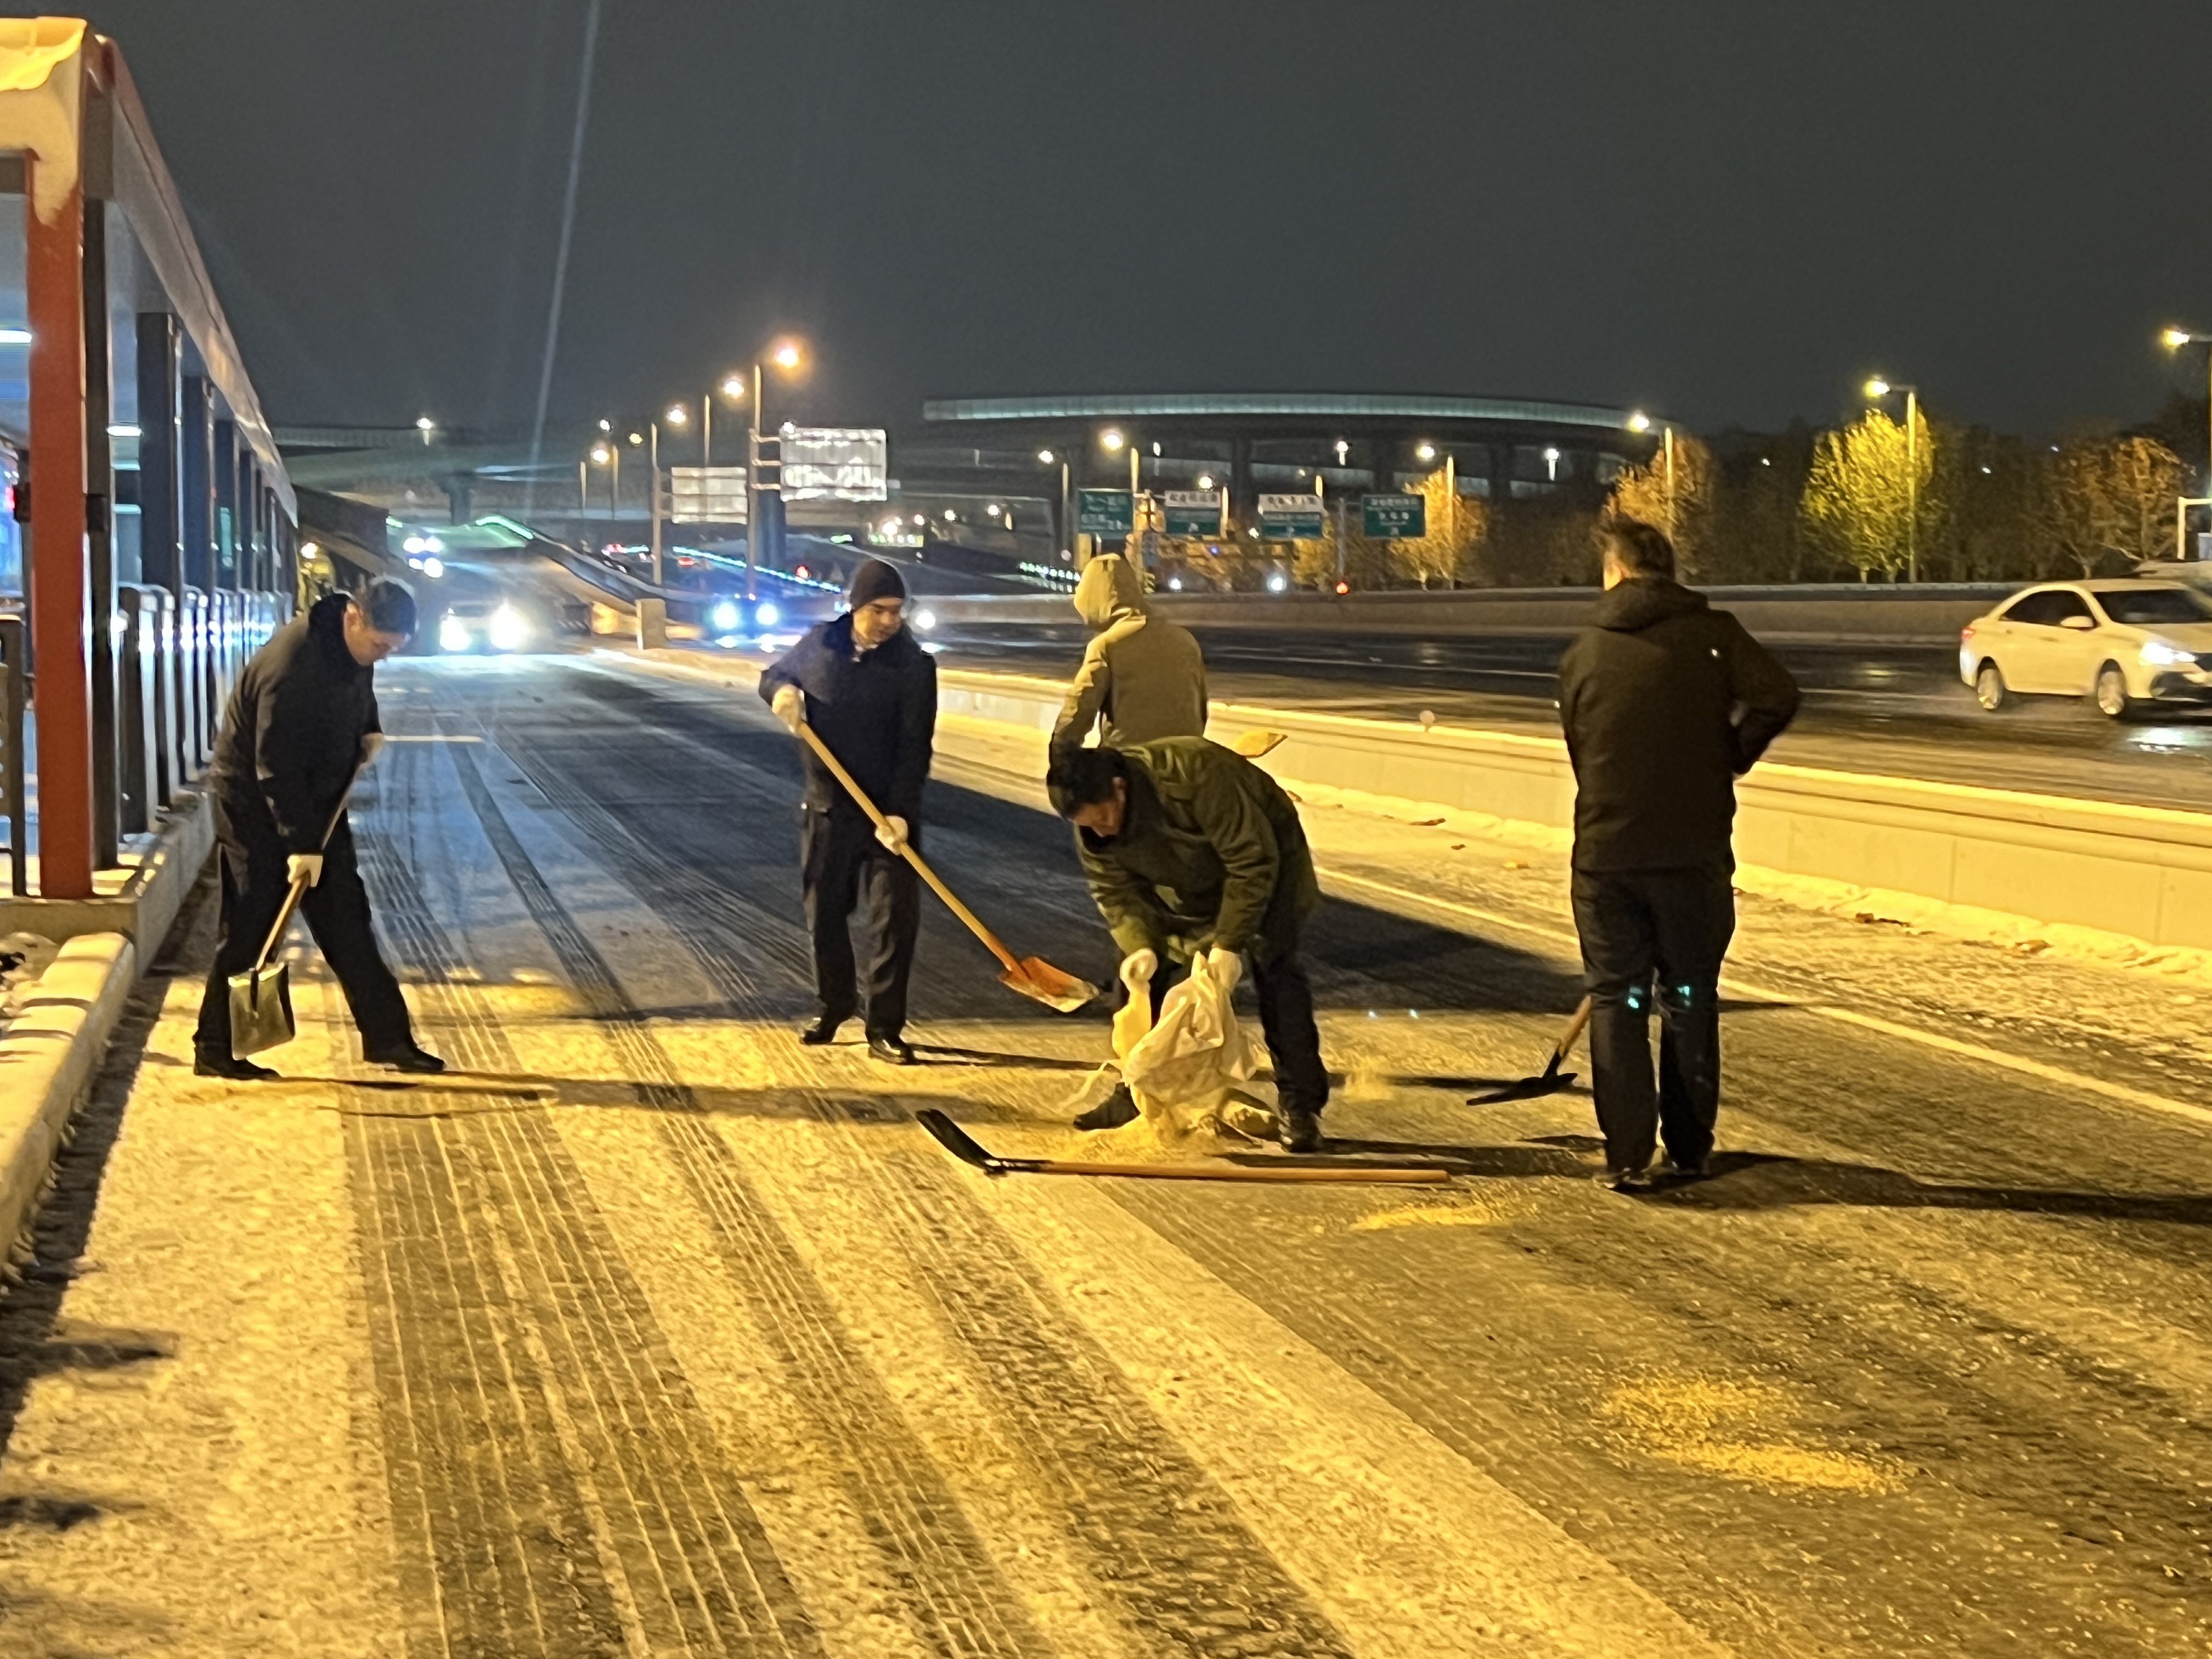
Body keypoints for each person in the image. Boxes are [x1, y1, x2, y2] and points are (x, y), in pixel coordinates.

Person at [1558, 517, 1799, 1192]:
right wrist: (1729, 754)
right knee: (1690, 999)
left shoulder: (1585, 653)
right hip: (1693, 856)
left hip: (1607, 856)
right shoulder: (1716, 637)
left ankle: (1627, 1154)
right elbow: (1779, 695)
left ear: (1617, 571)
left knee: (1619, 999)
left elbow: (1582, 750)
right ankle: (1690, 1149)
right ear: (1668, 569)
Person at [194, 580, 442, 1079]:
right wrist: (301, 844)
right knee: (253, 923)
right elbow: (274, 764)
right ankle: (215, 1047)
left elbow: (358, 688)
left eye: (393, 650)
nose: (382, 657)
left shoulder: (350, 648)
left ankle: (389, 1039)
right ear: (354, 617)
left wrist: (366, 729)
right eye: (379, 646)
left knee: (347, 916)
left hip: (320, 801)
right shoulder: (294, 666)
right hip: (257, 807)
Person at [1047, 739, 1329, 1152]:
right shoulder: (1093, 826)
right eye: (1089, 825)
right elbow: (1115, 892)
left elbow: (1251, 861)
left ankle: (1301, 1105)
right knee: (1147, 978)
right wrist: (1140, 945)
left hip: (1269, 863)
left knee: (1276, 969)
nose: (1101, 830)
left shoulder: (1195, 776)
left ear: (1120, 787)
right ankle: (1138, 1090)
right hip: (1187, 879)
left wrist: (1231, 943)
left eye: (1105, 817)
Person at [761, 559, 936, 1065]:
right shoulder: (819, 645)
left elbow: (914, 747)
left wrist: (901, 812)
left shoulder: (914, 667)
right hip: (828, 809)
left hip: (888, 819)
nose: (889, 621)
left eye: (897, 612)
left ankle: (885, 1027)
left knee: (893, 920)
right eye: (880, 610)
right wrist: (783, 692)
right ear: (855, 605)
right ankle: (834, 1004)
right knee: (826, 914)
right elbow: (772, 676)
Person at [1049, 552, 1206, 758]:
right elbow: (1200, 710)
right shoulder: (1186, 641)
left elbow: (1079, 710)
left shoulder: (1107, 646)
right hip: (1188, 762)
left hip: (1131, 767)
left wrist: (1060, 752)